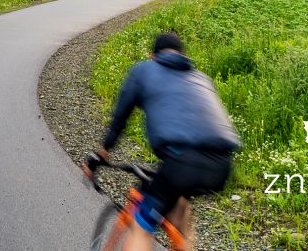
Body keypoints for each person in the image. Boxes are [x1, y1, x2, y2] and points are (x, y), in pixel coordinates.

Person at [83, 32, 240, 251]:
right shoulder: (200, 77)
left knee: (142, 226)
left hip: (180, 162)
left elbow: (119, 121)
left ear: (153, 56)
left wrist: (100, 155)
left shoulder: (144, 70)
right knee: (179, 206)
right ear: (182, 56)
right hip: (222, 163)